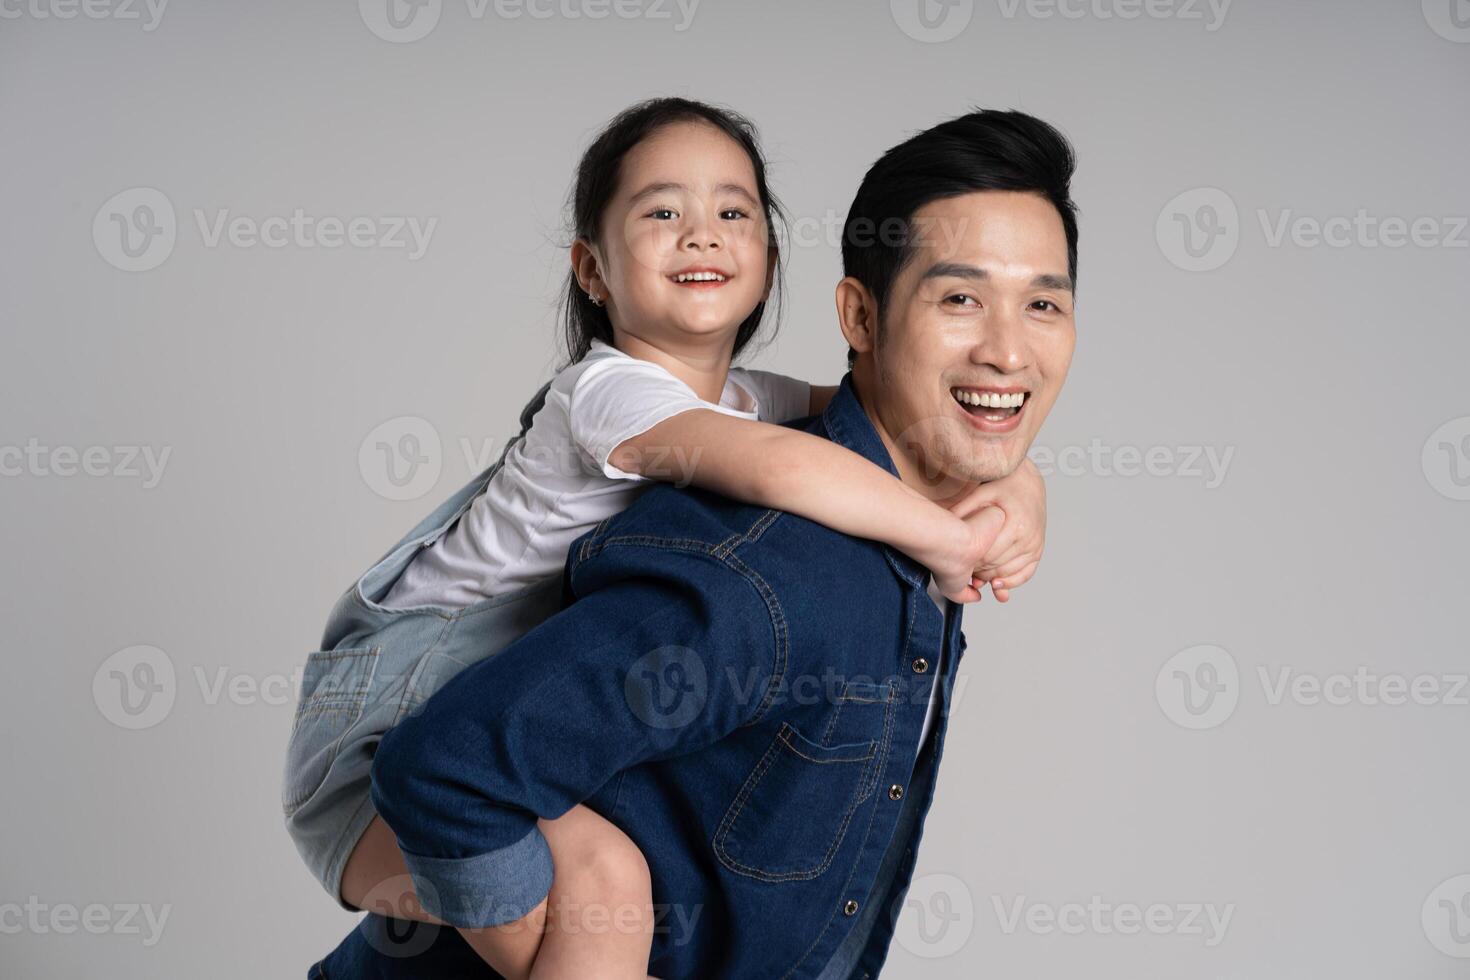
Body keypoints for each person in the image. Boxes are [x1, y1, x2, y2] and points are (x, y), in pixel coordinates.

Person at [285, 97, 1050, 979]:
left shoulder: (744, 400)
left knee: (602, 903)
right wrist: (948, 540)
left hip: (472, 728)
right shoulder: (610, 394)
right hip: (372, 737)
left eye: (734, 213)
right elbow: (788, 469)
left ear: (768, 258)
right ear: (593, 271)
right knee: (608, 888)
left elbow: (907, 424)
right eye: (661, 212)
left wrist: (1018, 484)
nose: (702, 235)